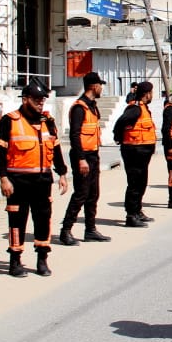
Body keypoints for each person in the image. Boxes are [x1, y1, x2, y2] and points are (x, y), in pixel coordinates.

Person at [0, 83, 69, 277]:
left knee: (43, 220)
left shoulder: (47, 121)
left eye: (42, 100)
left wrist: (62, 173)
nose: (40, 103)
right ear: (25, 99)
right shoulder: (10, 121)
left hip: (43, 181)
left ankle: (42, 259)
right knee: (17, 221)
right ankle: (15, 260)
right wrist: (3, 179)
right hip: (18, 181)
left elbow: (56, 147)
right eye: (36, 100)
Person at [60, 71, 110, 245]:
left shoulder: (92, 106)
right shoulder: (79, 107)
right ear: (94, 86)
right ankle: (65, 230)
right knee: (81, 193)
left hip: (93, 155)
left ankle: (90, 229)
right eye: (100, 85)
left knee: (93, 194)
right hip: (83, 156)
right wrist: (81, 159)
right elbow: (74, 135)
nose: (101, 88)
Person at [113, 81, 158, 227]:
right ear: (147, 94)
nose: (152, 95)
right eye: (151, 92)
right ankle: (131, 215)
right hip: (134, 151)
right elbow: (120, 123)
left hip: (142, 152)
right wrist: (119, 138)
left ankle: (137, 210)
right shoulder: (135, 109)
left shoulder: (144, 108)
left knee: (141, 182)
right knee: (134, 184)